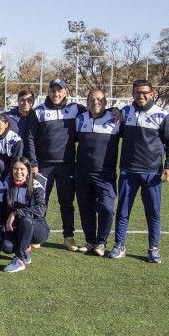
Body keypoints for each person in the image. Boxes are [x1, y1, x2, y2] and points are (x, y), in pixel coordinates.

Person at [26, 78, 96, 251]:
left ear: (65, 92)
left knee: (66, 202)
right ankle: (38, 235)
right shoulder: (39, 111)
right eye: (53, 90)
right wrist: (34, 163)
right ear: (48, 92)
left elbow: (96, 112)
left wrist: (116, 111)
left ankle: (68, 236)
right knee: (41, 200)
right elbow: (30, 138)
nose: (56, 94)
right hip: (44, 166)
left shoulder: (75, 109)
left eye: (59, 90)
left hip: (67, 164)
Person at [110, 80, 169, 263]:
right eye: (138, 92)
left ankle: (153, 248)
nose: (141, 95)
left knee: (152, 212)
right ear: (133, 94)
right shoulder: (126, 112)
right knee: (123, 210)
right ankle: (119, 245)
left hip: (152, 172)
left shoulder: (162, 115)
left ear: (152, 94)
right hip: (127, 171)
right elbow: (109, 113)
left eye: (145, 92)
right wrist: (114, 109)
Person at [73, 89, 121, 257]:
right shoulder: (80, 119)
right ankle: (90, 240)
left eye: (99, 99)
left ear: (105, 102)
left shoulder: (115, 119)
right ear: (87, 103)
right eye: (92, 99)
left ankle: (101, 242)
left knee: (107, 208)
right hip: (82, 172)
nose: (96, 102)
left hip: (105, 174)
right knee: (86, 209)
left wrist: (117, 110)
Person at [0, 157, 50, 273]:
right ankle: (25, 250)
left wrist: (16, 212)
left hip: (38, 229)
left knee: (26, 220)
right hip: (17, 228)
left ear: (28, 171)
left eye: (22, 169)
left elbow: (41, 209)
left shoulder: (36, 186)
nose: (18, 172)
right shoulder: (7, 182)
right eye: (15, 169)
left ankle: (19, 258)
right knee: (6, 247)